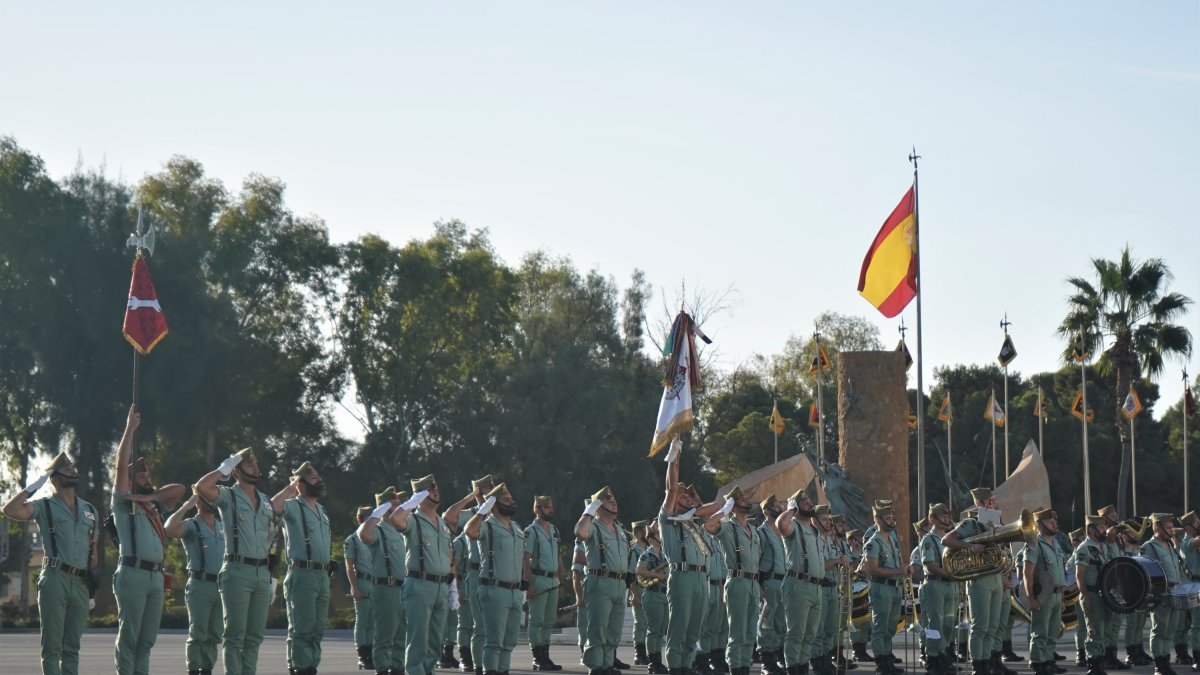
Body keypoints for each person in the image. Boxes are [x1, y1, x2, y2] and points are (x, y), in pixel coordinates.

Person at [2, 451, 99, 675]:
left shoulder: (89, 510)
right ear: (54, 479)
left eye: (73, 468)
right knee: (52, 648)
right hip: (56, 578)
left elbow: (92, 549)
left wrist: (93, 583)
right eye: (66, 469)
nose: (73, 471)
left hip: (82, 583)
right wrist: (34, 486)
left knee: (72, 648)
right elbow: (10, 510)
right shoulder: (44, 506)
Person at [111, 405, 187, 675]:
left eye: (148, 474)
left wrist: (150, 496)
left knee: (146, 641)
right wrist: (129, 430)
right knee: (129, 638)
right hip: (132, 572)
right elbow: (120, 465)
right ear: (130, 482)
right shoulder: (123, 502)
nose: (147, 477)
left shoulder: (153, 504)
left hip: (156, 577)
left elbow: (180, 489)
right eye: (141, 475)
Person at [195, 447, 283, 675]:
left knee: (254, 637)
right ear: (237, 471)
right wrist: (223, 468)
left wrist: (272, 577)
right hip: (237, 571)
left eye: (256, 464)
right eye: (249, 464)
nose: (256, 467)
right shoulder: (229, 495)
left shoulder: (265, 501)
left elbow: (272, 540)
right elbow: (202, 488)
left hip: (261, 574)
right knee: (235, 636)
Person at [659, 440, 723, 675]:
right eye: (683, 499)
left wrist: (695, 504)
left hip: (700, 578)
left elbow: (717, 506)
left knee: (694, 628)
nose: (687, 499)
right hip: (681, 575)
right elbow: (671, 489)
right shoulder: (667, 519)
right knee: (679, 627)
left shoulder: (695, 521)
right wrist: (674, 457)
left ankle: (686, 665)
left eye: (690, 498)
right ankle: (675, 667)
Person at [392, 475, 464, 675]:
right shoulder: (413, 519)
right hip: (419, 584)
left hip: (441, 586)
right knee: (418, 640)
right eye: (430, 489)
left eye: (436, 488)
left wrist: (453, 586)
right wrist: (412, 501)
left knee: (435, 641)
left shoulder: (441, 523)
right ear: (420, 494)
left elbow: (448, 555)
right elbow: (395, 519)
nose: (436, 491)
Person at [274, 461, 334, 675]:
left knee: (317, 628)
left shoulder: (322, 510)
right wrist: (291, 488)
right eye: (312, 477)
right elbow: (273, 506)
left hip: (322, 574)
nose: (319, 480)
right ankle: (300, 667)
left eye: (318, 476)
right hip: (302, 572)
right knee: (302, 627)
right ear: (300, 483)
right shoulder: (293, 505)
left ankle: (310, 666)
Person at [465, 483, 528, 675]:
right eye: (506, 500)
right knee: (494, 642)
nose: (511, 502)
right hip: (494, 590)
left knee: (509, 642)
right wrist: (484, 508)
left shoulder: (517, 528)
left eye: (511, 499)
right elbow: (469, 530)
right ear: (494, 504)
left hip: (515, 592)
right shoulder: (487, 526)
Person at [164, 487, 226, 675]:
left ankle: (206, 668)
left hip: (221, 585)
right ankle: (193, 669)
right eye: (207, 499)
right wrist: (185, 506)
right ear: (198, 502)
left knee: (215, 634)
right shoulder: (192, 525)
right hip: (200, 584)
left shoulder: (223, 525)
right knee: (198, 632)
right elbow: (169, 529)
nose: (213, 503)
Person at [943, 488, 1006, 675]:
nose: (995, 503)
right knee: (980, 626)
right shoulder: (971, 523)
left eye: (995, 500)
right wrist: (970, 547)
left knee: (993, 627)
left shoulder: (997, 523)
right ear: (981, 503)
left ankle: (986, 663)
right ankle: (978, 667)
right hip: (979, 580)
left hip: (995, 578)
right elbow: (947, 540)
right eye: (991, 501)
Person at [577, 486, 638, 675]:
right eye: (609, 501)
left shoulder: (619, 530)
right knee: (598, 628)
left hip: (619, 584)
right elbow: (580, 532)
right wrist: (589, 510)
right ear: (599, 506)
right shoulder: (593, 526)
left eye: (614, 500)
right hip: (600, 581)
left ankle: (607, 664)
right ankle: (595, 666)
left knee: (613, 630)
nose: (614, 503)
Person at [707, 487, 764, 675]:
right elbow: (708, 526)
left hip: (753, 583)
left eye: (744, 498)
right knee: (737, 632)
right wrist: (725, 508)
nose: (746, 501)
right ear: (733, 504)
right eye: (740, 499)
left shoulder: (753, 530)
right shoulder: (727, 526)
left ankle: (744, 667)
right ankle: (735, 669)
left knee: (750, 633)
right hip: (737, 581)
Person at [777, 481, 828, 675]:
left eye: (808, 500)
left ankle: (802, 668)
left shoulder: (815, 531)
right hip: (798, 584)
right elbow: (781, 524)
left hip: (816, 588)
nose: (809, 503)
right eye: (803, 502)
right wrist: (791, 508)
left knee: (810, 635)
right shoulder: (794, 526)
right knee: (796, 634)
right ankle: (793, 669)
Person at [359, 486, 410, 675]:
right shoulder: (378, 530)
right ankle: (381, 669)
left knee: (402, 637)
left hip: (406, 588)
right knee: (385, 636)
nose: (399, 508)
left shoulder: (404, 528)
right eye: (393, 505)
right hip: (386, 588)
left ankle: (398, 668)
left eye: (399, 504)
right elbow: (364, 535)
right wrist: (376, 514)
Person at [863, 503, 910, 675]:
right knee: (881, 627)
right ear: (878, 520)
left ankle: (887, 656)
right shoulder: (873, 543)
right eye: (887, 518)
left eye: (892, 518)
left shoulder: (893, 538)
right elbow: (872, 569)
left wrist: (906, 568)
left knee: (891, 627)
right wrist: (899, 571)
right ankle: (882, 664)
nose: (891, 521)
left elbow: (898, 562)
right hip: (881, 588)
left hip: (895, 587)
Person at [1141, 514, 1186, 675]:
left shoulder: (1170, 546)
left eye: (1171, 527)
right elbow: (1145, 573)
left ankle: (1166, 661)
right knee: (1159, 629)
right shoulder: (1149, 547)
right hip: (1161, 593)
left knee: (1170, 630)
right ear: (1157, 528)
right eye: (1168, 528)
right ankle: (1159, 665)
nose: (1171, 531)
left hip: (1175, 592)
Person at [1023, 509, 1066, 675]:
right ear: (1039, 525)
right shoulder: (1035, 543)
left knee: (1053, 632)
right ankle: (1037, 663)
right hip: (1042, 595)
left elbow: (1059, 572)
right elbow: (1028, 572)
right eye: (1050, 521)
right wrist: (1030, 597)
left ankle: (1048, 661)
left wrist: (1061, 598)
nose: (1055, 523)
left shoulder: (1055, 543)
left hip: (1056, 594)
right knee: (1040, 631)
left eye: (1055, 521)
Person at [525, 495, 564, 671]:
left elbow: (558, 556)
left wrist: (561, 579)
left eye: (551, 506)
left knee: (549, 620)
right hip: (538, 578)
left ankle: (546, 657)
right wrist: (528, 584)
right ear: (537, 509)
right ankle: (537, 658)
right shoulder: (531, 531)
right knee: (536, 620)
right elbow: (525, 558)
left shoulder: (555, 530)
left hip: (552, 579)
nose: (551, 509)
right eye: (547, 507)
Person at [918, 504, 957, 675]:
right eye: (942, 515)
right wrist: (949, 573)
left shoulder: (951, 538)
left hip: (950, 585)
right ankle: (932, 658)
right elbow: (930, 565)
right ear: (932, 518)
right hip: (935, 584)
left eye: (948, 515)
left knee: (949, 624)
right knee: (934, 625)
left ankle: (944, 653)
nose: (947, 518)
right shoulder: (929, 539)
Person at [813, 505, 850, 675]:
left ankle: (827, 659)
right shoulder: (815, 540)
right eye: (824, 519)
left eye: (829, 519)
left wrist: (842, 563)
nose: (828, 523)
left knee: (830, 629)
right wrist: (836, 561)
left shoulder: (831, 542)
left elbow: (836, 564)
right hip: (820, 586)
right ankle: (818, 661)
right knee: (819, 630)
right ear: (815, 520)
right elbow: (819, 566)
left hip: (833, 588)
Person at [1075, 514, 1111, 675]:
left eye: (1104, 527)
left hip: (1104, 596)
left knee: (1104, 632)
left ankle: (1100, 664)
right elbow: (1079, 575)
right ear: (1091, 529)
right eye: (1102, 528)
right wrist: (1086, 597)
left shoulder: (1103, 547)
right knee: (1094, 632)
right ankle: (1094, 666)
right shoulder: (1084, 548)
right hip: (1092, 594)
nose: (1105, 531)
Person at [757, 495, 788, 675]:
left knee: (782, 623)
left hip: (785, 582)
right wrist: (758, 585)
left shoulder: (784, 531)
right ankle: (766, 663)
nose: (780, 507)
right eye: (775, 506)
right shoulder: (761, 533)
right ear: (767, 511)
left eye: (780, 504)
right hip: (769, 581)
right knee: (767, 624)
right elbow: (755, 560)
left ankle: (780, 658)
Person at [347, 504, 378, 671]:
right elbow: (349, 566)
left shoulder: (376, 536)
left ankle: (371, 652)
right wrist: (355, 588)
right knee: (363, 620)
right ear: (362, 519)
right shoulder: (352, 539)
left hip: (377, 582)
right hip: (363, 581)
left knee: (373, 620)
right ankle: (362, 654)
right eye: (370, 516)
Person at [637, 521, 670, 675]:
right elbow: (640, 570)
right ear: (651, 538)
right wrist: (658, 575)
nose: (660, 537)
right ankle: (653, 662)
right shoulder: (647, 554)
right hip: (653, 593)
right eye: (658, 535)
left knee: (660, 631)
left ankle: (658, 661)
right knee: (653, 630)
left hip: (664, 594)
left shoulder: (665, 554)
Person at [1178, 511, 1200, 671]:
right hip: (1194, 586)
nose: (1198, 524)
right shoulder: (1186, 543)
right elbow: (1196, 543)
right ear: (1188, 527)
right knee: (1197, 624)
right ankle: (1198, 658)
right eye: (1196, 522)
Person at [629, 521, 651, 667]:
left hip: (650, 590)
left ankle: (648, 652)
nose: (648, 533)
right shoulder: (634, 550)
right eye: (645, 530)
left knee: (649, 624)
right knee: (640, 623)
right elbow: (631, 574)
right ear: (638, 533)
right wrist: (634, 594)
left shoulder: (649, 549)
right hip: (639, 588)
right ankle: (640, 653)